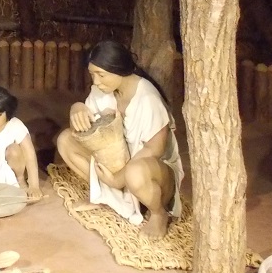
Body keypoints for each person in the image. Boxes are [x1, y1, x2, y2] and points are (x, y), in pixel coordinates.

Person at [55, 39, 184, 237]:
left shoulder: (148, 99)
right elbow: (84, 130)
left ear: (119, 70)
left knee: (134, 172)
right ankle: (107, 198)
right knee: (65, 140)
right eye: (92, 74)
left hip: (150, 176)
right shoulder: (102, 90)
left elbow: (153, 150)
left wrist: (118, 179)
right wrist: (77, 108)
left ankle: (158, 213)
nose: (96, 81)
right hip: (118, 164)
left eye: (101, 75)